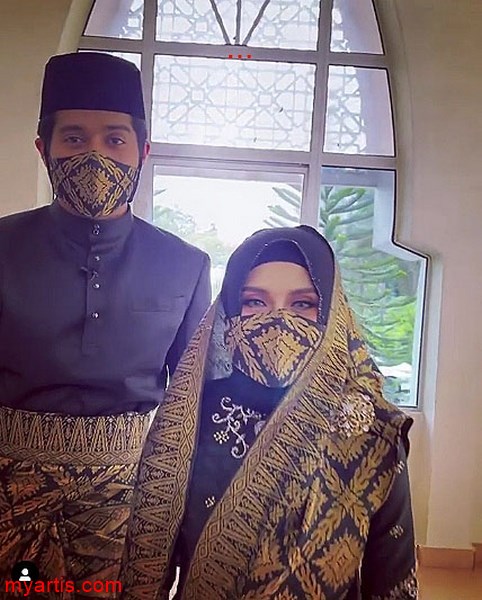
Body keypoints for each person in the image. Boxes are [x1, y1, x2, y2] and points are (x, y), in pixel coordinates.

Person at [0, 52, 210, 593]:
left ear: (143, 151)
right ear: (43, 149)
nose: (95, 155)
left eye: (115, 139)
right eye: (74, 138)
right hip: (7, 498)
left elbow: (191, 408)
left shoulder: (185, 265)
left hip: (130, 509)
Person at [119, 225, 418, 600]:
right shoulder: (189, 418)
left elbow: (393, 582)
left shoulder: (370, 433)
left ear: (331, 315)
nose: (279, 322)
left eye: (303, 304)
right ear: (229, 313)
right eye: (255, 302)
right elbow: (147, 559)